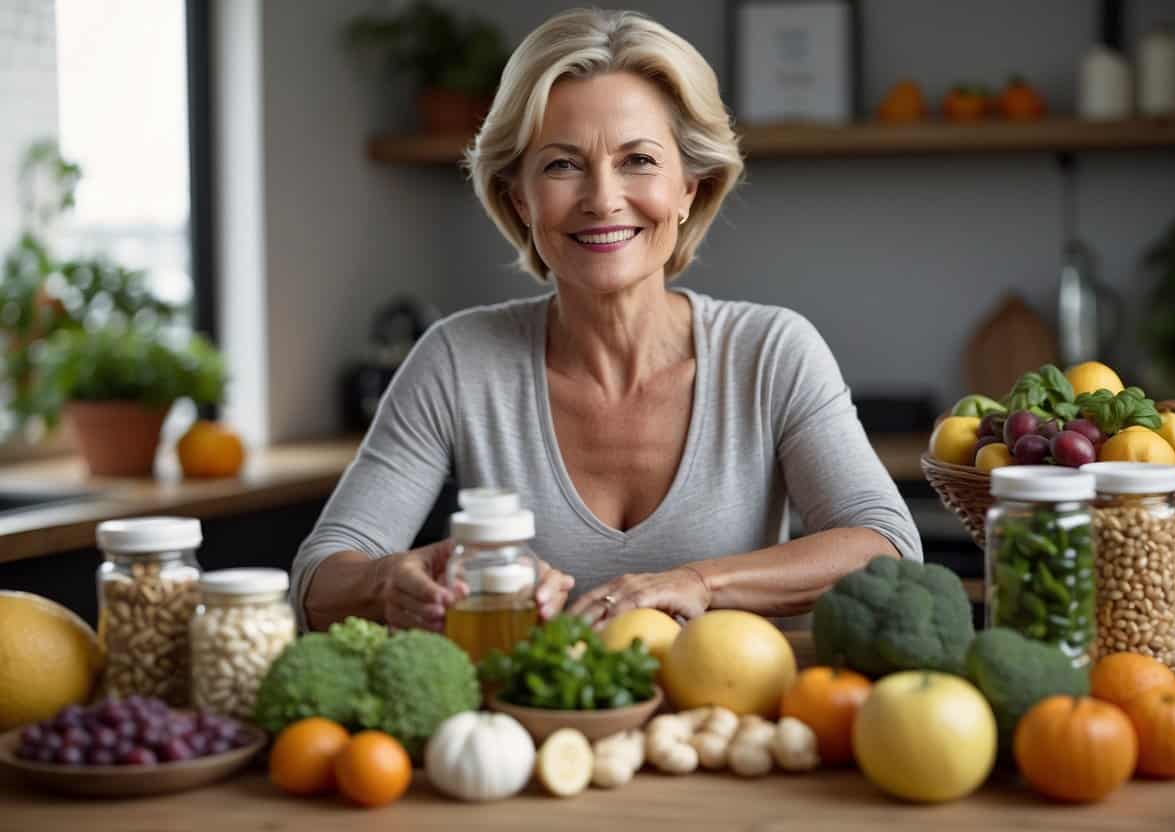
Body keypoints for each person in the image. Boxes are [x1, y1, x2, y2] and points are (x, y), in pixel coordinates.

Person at [290, 8, 922, 634]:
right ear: (520, 198)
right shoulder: (459, 359)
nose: (601, 199)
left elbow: (889, 547)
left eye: (639, 160)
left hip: (736, 728)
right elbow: (319, 577)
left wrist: (698, 583)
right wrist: (388, 582)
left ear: (688, 189)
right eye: (562, 164)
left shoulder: (772, 352)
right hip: (529, 733)